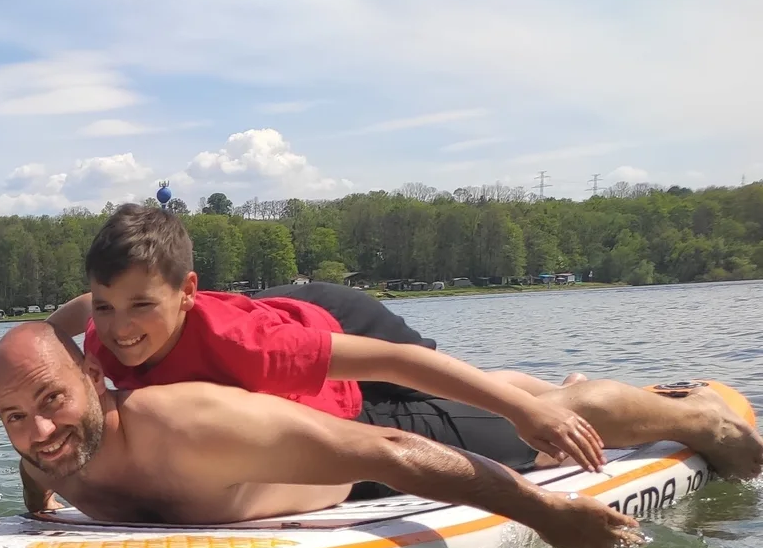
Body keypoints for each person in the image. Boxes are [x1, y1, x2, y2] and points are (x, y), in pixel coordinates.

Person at [0, 322, 763, 548]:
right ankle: (547, 386)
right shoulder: (50, 442)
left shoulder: (185, 425)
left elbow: (388, 454)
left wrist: (542, 513)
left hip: (371, 453)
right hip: (315, 431)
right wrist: (39, 512)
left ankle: (694, 414)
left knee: (551, 432)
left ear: (95, 377)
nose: (39, 431)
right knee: (521, 396)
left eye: (51, 400)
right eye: (15, 419)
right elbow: (39, 463)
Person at [39, 206, 604, 512]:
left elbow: (398, 362)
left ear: (185, 291)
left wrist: (526, 415)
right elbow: (68, 320)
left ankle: (549, 396)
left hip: (333, 323)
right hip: (272, 329)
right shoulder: (105, 330)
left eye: (139, 305)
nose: (118, 327)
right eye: (109, 309)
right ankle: (538, 394)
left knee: (425, 390)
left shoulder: (251, 347)